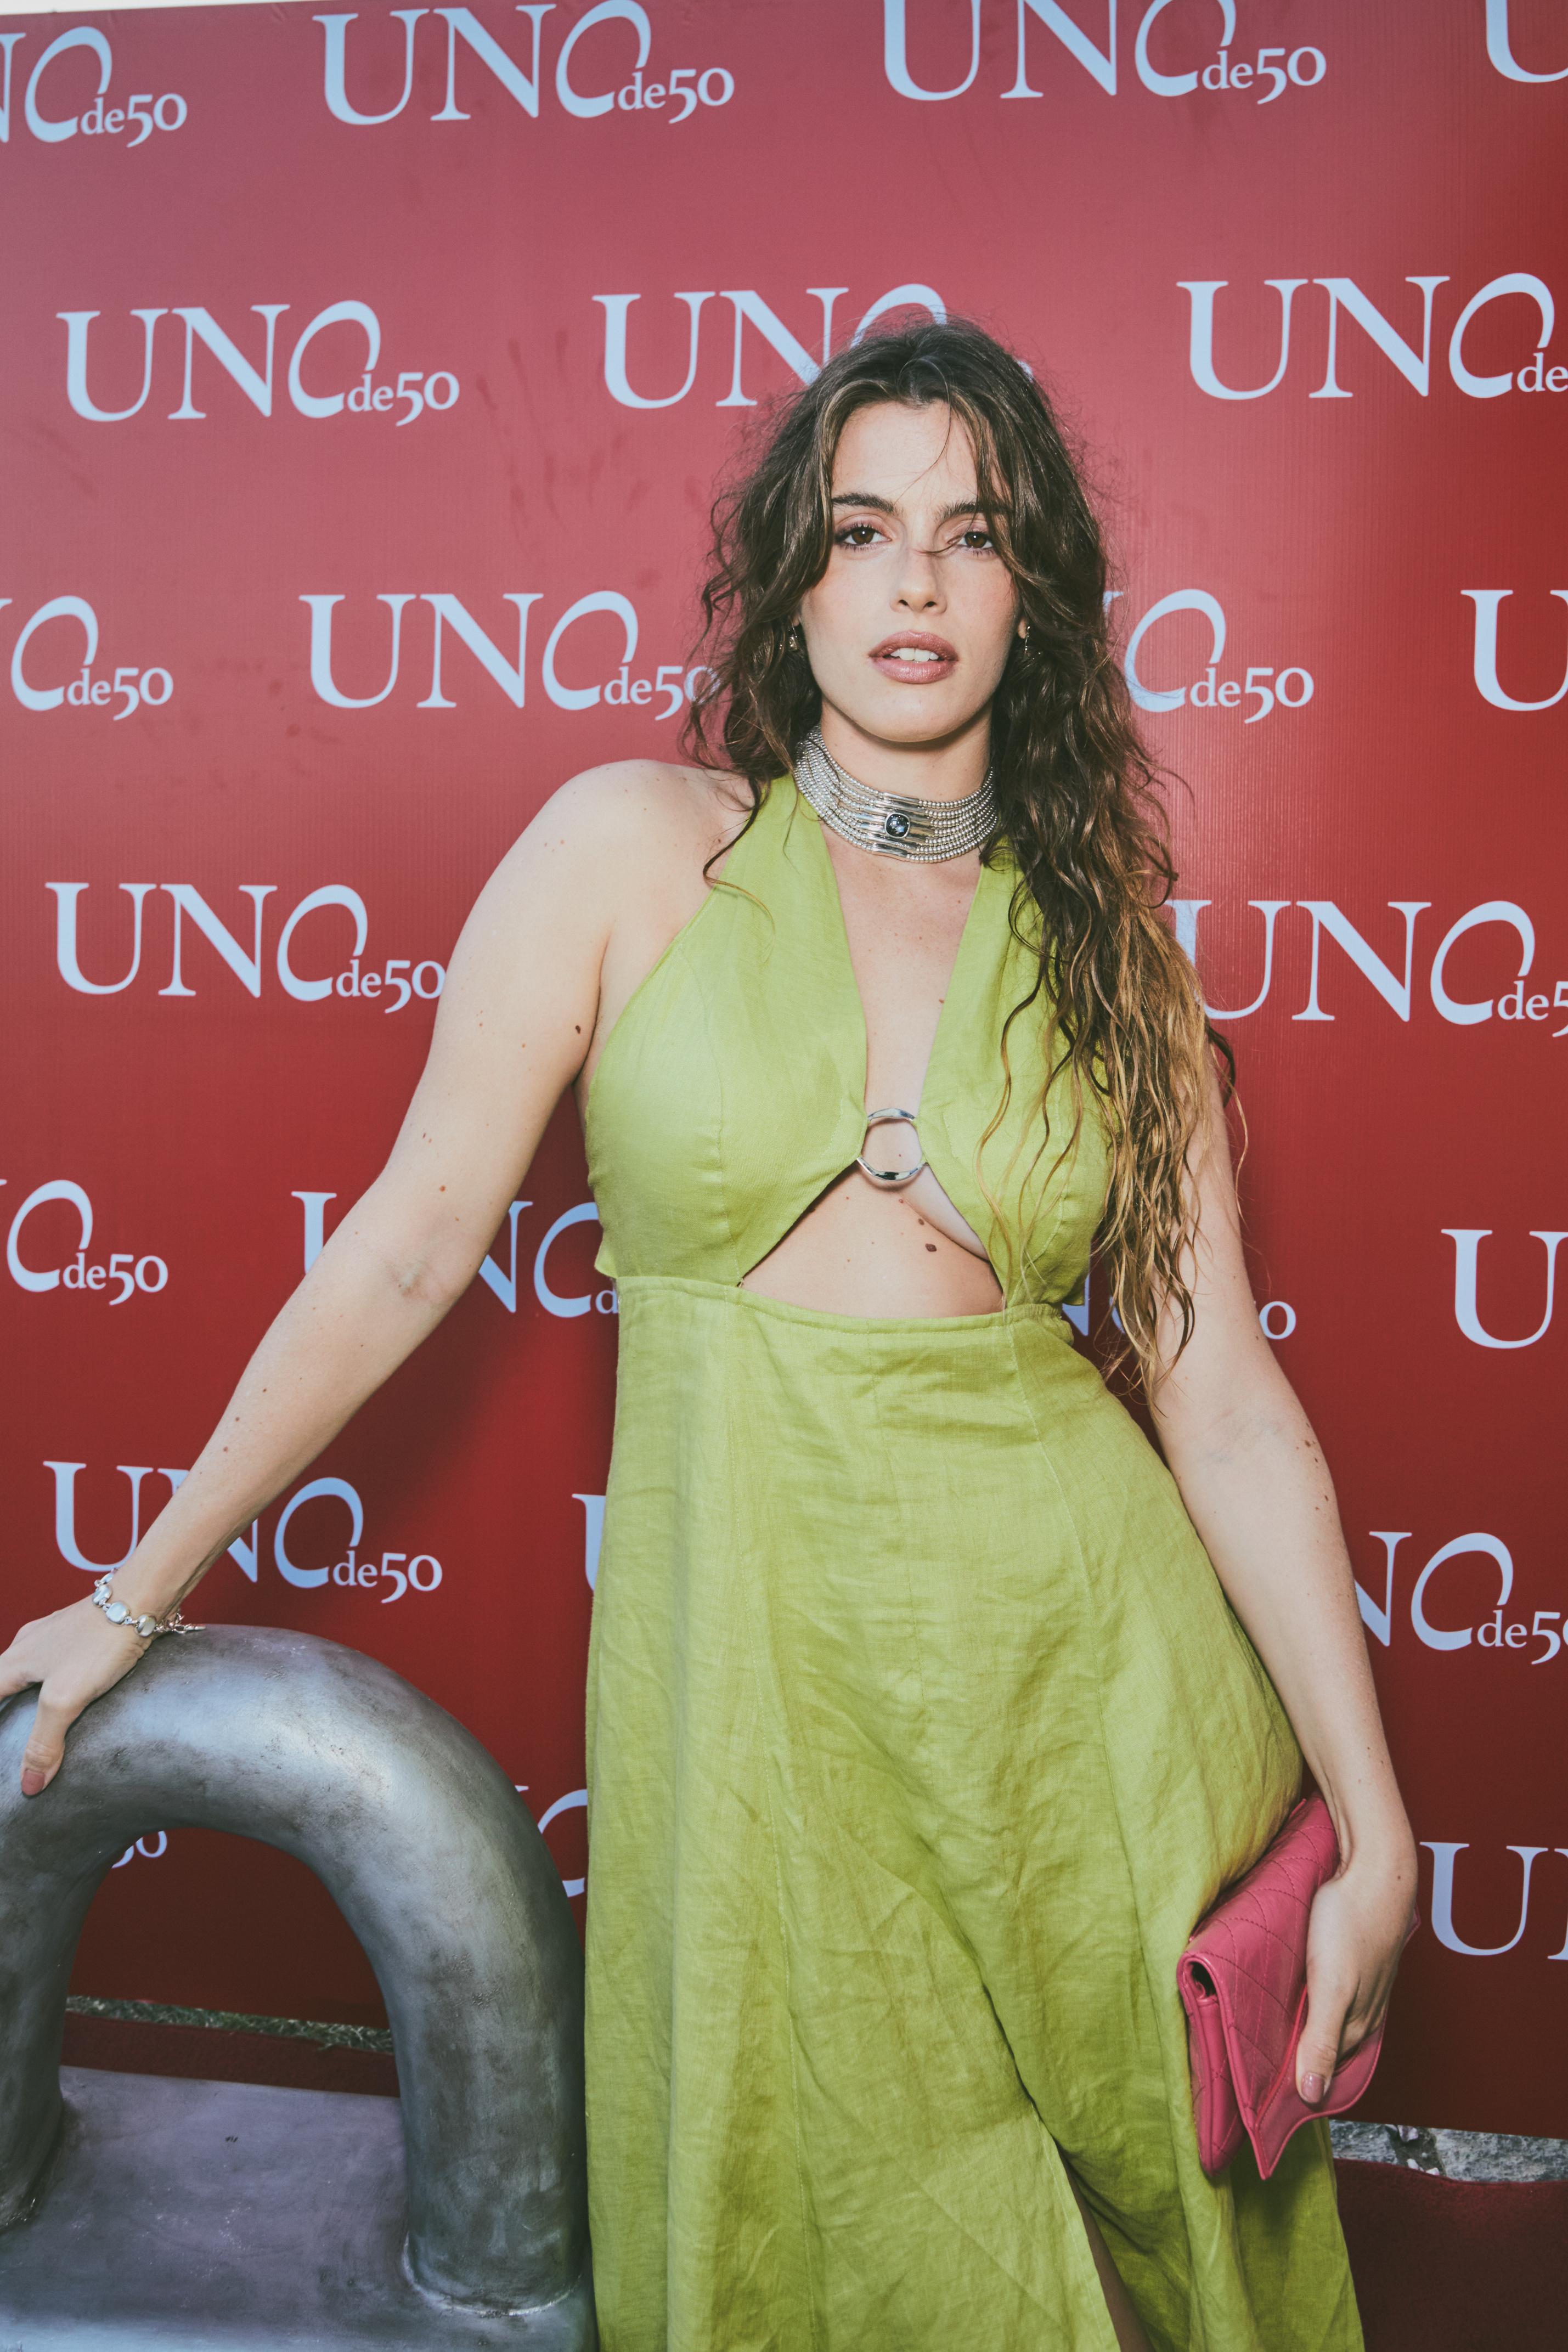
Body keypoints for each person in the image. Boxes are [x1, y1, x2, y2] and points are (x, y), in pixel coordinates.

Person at [1, 319, 1415, 2351]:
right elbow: (405, 1248)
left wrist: (1374, 1828)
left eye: (972, 534)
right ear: (790, 582)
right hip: (757, 1709)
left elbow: (1224, 1401)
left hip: (1094, 1713)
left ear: (1035, 597)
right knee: (811, 2241)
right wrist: (136, 1591)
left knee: (1170, 2271)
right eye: (861, 530)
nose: (914, 580)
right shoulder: (629, 847)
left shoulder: (1117, 953)